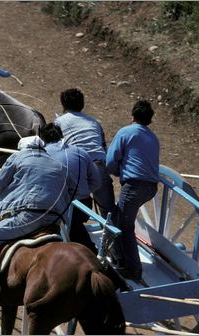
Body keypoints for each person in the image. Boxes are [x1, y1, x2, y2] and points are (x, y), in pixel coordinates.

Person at [0, 136, 74, 304]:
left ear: (23, 147)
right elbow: (71, 190)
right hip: (55, 220)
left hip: (29, 216)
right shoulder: (60, 165)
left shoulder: (17, 157)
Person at [106, 100, 159, 281]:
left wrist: (114, 172)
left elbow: (111, 160)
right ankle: (122, 260)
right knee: (123, 220)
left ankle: (130, 268)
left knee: (121, 225)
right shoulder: (153, 138)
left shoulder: (126, 132)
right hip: (150, 187)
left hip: (134, 186)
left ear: (132, 116)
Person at [54, 88, 117, 223]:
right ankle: (113, 239)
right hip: (99, 166)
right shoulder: (94, 122)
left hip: (77, 168)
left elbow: (56, 149)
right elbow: (103, 147)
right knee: (108, 211)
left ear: (63, 105)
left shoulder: (59, 122)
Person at [39, 122, 101, 253]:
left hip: (58, 208)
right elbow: (96, 182)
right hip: (84, 206)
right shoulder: (81, 152)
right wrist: (82, 192)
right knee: (77, 229)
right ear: (61, 135)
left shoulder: (41, 155)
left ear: (42, 139)